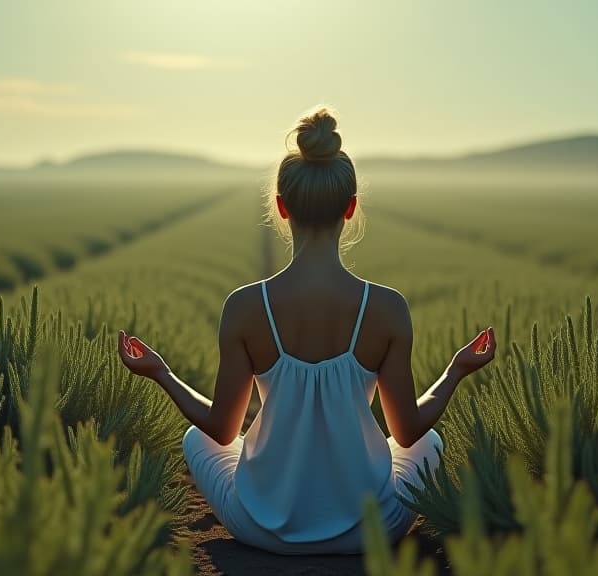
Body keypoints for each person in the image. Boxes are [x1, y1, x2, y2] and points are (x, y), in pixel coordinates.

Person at [117, 106, 496, 555]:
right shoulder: (388, 308)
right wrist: (456, 369)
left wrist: (161, 372)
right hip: (371, 529)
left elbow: (221, 430)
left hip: (261, 527)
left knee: (195, 438)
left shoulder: (244, 307)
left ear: (281, 206)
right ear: (351, 208)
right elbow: (408, 432)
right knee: (430, 443)